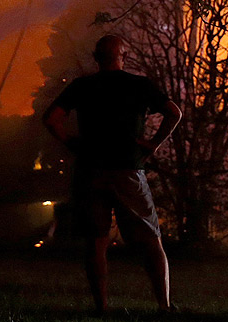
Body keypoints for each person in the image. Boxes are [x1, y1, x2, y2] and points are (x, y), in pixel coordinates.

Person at [44, 34, 183, 315]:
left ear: (96, 57)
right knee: (150, 238)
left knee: (96, 240)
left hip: (90, 170)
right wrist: (155, 143)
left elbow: (51, 118)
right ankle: (164, 306)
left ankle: (102, 307)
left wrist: (71, 143)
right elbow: (174, 113)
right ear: (124, 56)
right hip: (128, 169)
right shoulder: (139, 85)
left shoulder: (82, 86)